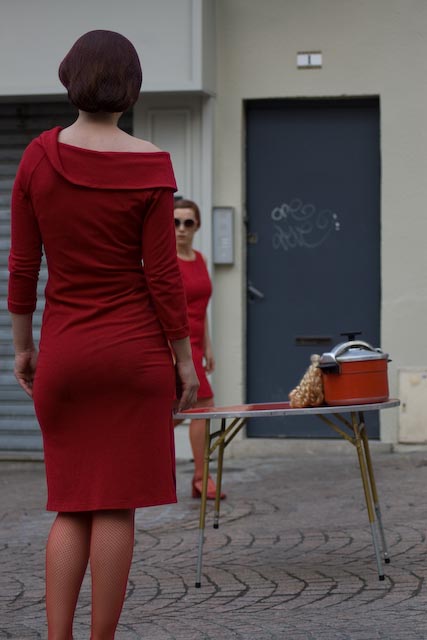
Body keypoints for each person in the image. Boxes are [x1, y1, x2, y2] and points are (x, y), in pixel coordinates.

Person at [8, 30, 199, 640]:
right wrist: (185, 360)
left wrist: (23, 346)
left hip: (66, 354)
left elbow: (23, 267)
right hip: (133, 355)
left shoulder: (37, 157)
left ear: (70, 78)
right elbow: (163, 276)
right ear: (131, 87)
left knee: (71, 504)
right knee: (115, 505)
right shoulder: (151, 164)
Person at [173, 198, 226, 500]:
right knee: (201, 406)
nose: (181, 229)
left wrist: (208, 346)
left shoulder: (201, 259)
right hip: (176, 344)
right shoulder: (166, 262)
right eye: (175, 222)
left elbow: (201, 308)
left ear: (197, 226)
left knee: (184, 409)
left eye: (187, 222)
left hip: (195, 343)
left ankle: (199, 477)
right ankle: (201, 478)